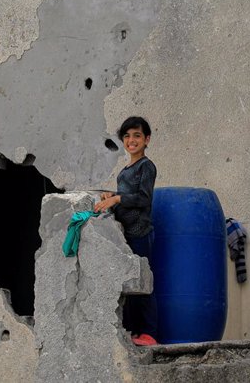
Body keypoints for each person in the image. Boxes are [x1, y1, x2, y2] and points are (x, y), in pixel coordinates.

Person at [94, 116, 158, 346]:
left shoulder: (146, 166)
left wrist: (117, 199)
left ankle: (149, 333)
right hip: (127, 235)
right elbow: (126, 197)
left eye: (137, 135)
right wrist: (111, 195)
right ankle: (134, 331)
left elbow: (143, 199)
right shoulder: (125, 171)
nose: (132, 140)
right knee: (129, 284)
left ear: (147, 139)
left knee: (143, 282)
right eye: (127, 136)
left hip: (140, 232)